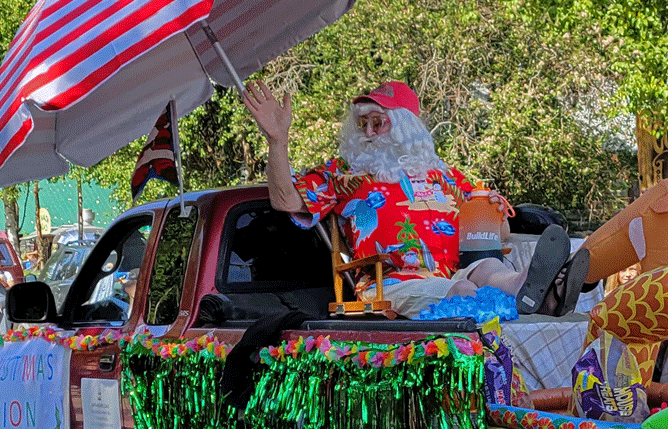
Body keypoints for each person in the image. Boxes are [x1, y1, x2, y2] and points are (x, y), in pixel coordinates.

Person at [242, 79, 589, 318]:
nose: (368, 133)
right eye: (362, 124)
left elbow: (496, 237)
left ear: (406, 126)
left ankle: (529, 288)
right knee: (465, 291)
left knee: (491, 268)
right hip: (393, 282)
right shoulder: (343, 173)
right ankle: (539, 298)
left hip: (456, 271)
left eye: (378, 123)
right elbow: (286, 200)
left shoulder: (446, 175)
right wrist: (277, 141)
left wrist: (495, 212)